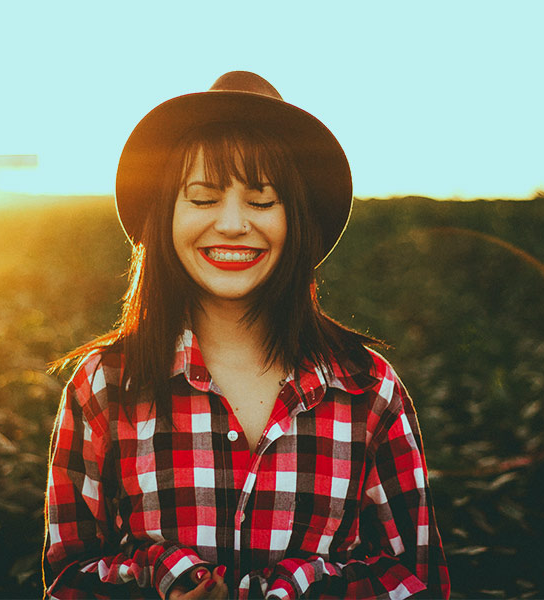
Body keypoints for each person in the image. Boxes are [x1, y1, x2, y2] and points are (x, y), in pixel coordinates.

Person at [44, 71, 450, 599]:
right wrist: (158, 578)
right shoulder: (102, 386)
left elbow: (417, 582)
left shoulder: (368, 389)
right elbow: (67, 580)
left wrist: (296, 589)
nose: (234, 224)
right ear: (165, 215)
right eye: (203, 198)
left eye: (262, 201)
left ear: (296, 218)